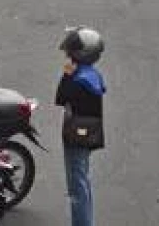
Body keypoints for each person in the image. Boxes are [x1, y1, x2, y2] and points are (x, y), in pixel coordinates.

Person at [55, 26, 105, 226]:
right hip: (88, 135)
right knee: (82, 181)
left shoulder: (78, 80)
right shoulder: (92, 75)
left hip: (77, 137)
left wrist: (67, 73)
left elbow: (60, 97)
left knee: (77, 186)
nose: (68, 54)